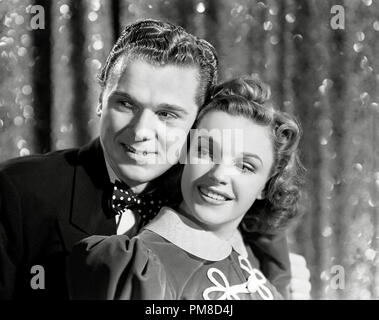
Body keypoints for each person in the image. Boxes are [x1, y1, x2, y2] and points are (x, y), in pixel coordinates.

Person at [0, 19, 297, 300]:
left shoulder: (208, 189)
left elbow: (268, 245)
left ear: (197, 122)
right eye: (126, 104)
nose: (141, 131)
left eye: (167, 114)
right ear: (101, 101)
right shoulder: (19, 190)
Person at [67, 76, 302, 300]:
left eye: (245, 166)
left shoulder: (262, 272)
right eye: (206, 152)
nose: (219, 174)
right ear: (185, 153)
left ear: (266, 185)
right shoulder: (138, 264)